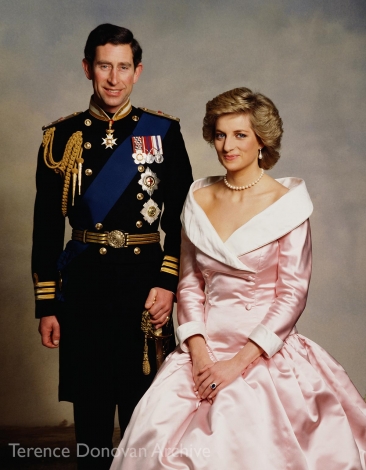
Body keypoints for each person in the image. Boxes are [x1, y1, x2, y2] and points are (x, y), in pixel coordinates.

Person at [110, 87, 366, 469]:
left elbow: (292, 294)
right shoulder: (198, 198)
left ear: (262, 141)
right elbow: (191, 282)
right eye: (220, 134)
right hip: (202, 347)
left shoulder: (287, 205)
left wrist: (237, 364)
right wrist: (198, 353)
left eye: (240, 135)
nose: (227, 145)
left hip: (262, 350)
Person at [32, 23, 193, 470]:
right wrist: (46, 304)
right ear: (88, 68)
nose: (114, 78)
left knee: (148, 415)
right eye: (104, 65)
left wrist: (169, 283)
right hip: (83, 292)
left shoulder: (163, 132)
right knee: (92, 417)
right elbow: (46, 228)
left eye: (124, 67)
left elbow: (184, 219)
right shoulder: (59, 138)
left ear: (137, 72)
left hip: (146, 290)